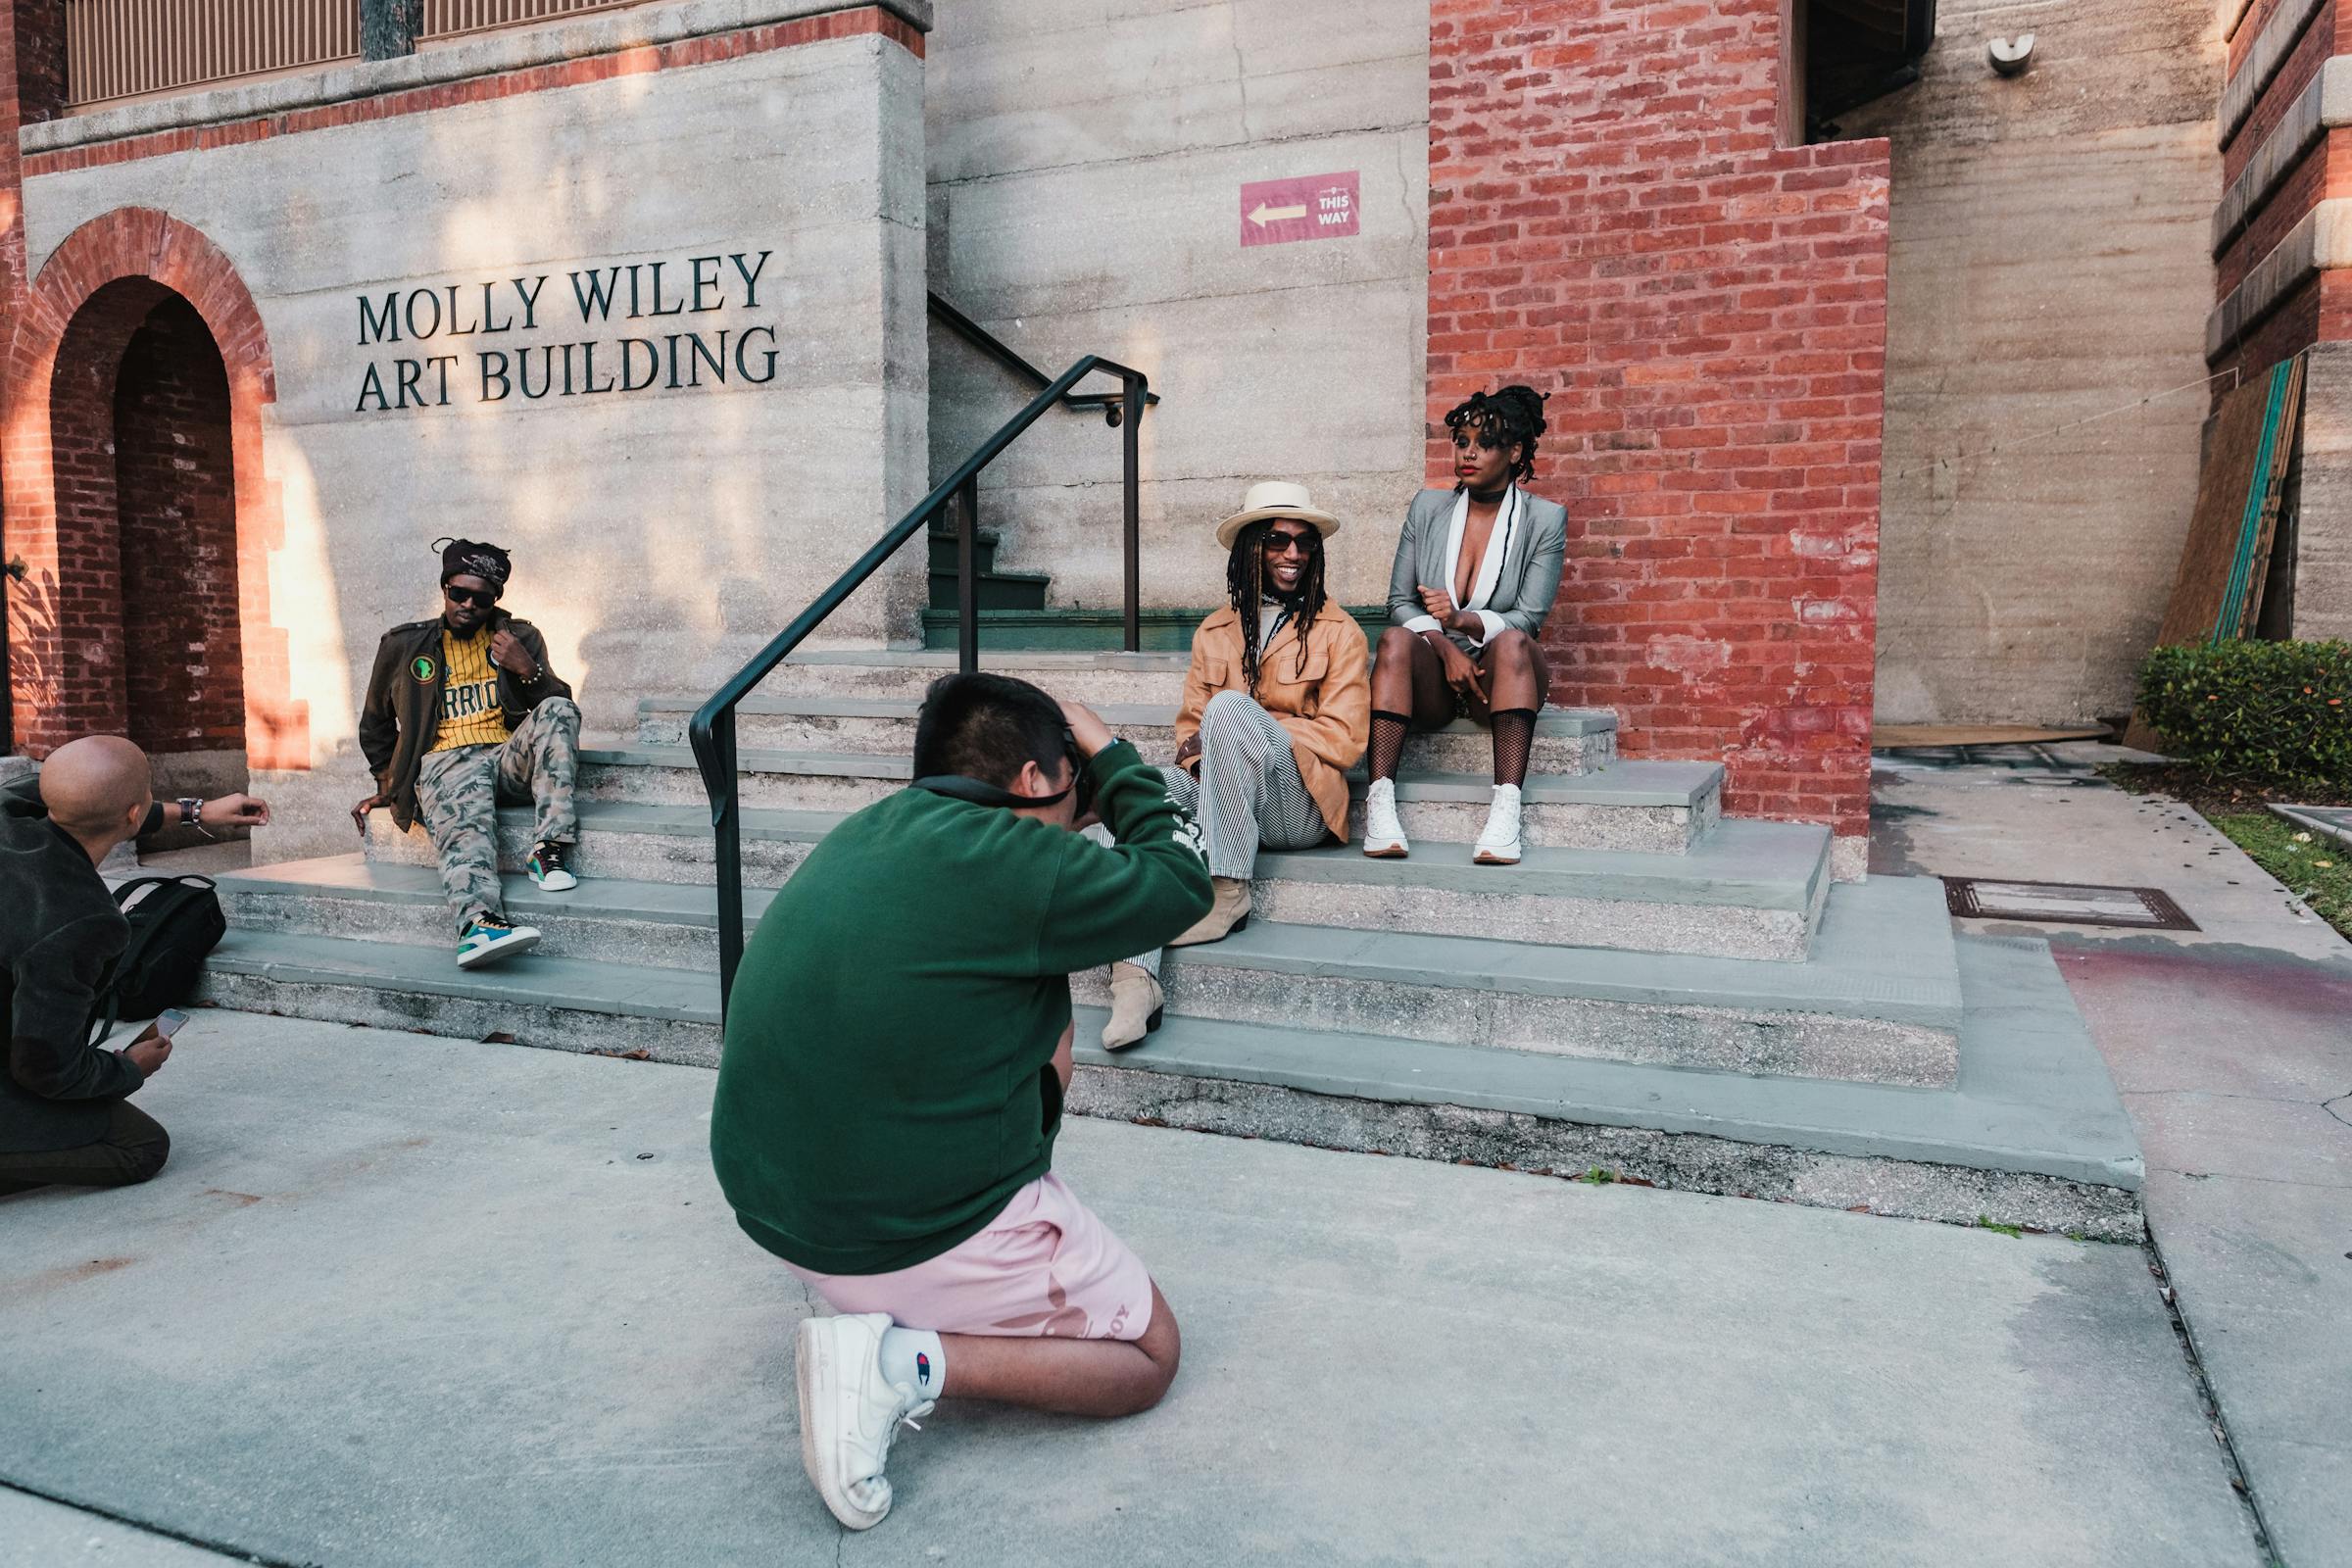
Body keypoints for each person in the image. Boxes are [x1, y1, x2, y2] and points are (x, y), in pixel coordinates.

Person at [710, 672, 1211, 1533]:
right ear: (1034, 778)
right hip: (894, 1234)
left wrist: (1070, 803)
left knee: (1032, 990)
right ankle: (897, 1362)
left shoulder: (869, 831)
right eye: (1070, 785)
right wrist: (1115, 757)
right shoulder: (1017, 863)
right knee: (1147, 1355)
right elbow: (1180, 884)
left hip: (776, 1211)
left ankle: (939, 1274)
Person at [1096, 480, 1370, 1050]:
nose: (1294, 553)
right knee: (1139, 794)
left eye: (1305, 543)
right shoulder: (1215, 630)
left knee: (1229, 709)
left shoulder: (1339, 631)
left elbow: (1345, 740)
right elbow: (1188, 730)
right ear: (1250, 547)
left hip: (1295, 806)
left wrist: (1247, 729)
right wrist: (1215, 749)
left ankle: (1229, 888)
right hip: (1224, 798)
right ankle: (1134, 979)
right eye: (1278, 540)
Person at [1, 736, 270, 1197]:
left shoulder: (11, 808)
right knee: (140, 1147)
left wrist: (197, 812)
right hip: (27, 1063)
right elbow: (44, 1068)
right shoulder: (81, 920)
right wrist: (127, 1068)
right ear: (132, 814)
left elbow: (102, 804)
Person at [353, 537, 582, 969]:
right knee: (464, 806)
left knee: (560, 708)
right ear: (445, 589)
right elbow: (375, 723)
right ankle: (477, 924)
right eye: (459, 593)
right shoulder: (405, 645)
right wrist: (390, 782)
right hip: (446, 760)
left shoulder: (520, 638)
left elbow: (555, 709)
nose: (468, 605)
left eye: (481, 598)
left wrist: (528, 669)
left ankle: (547, 848)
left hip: (504, 759)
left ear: (495, 599)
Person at [1362, 385, 1567, 865]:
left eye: (1485, 443)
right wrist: (1443, 643)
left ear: (1515, 452)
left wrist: (1463, 621)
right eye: (1461, 442)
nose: (1468, 453)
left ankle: (1505, 811)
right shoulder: (1427, 508)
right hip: (1434, 679)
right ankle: (1380, 803)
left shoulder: (1544, 520)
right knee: (1393, 641)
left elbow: (1529, 618)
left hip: (1498, 680)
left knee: (1513, 642)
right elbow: (1399, 602)